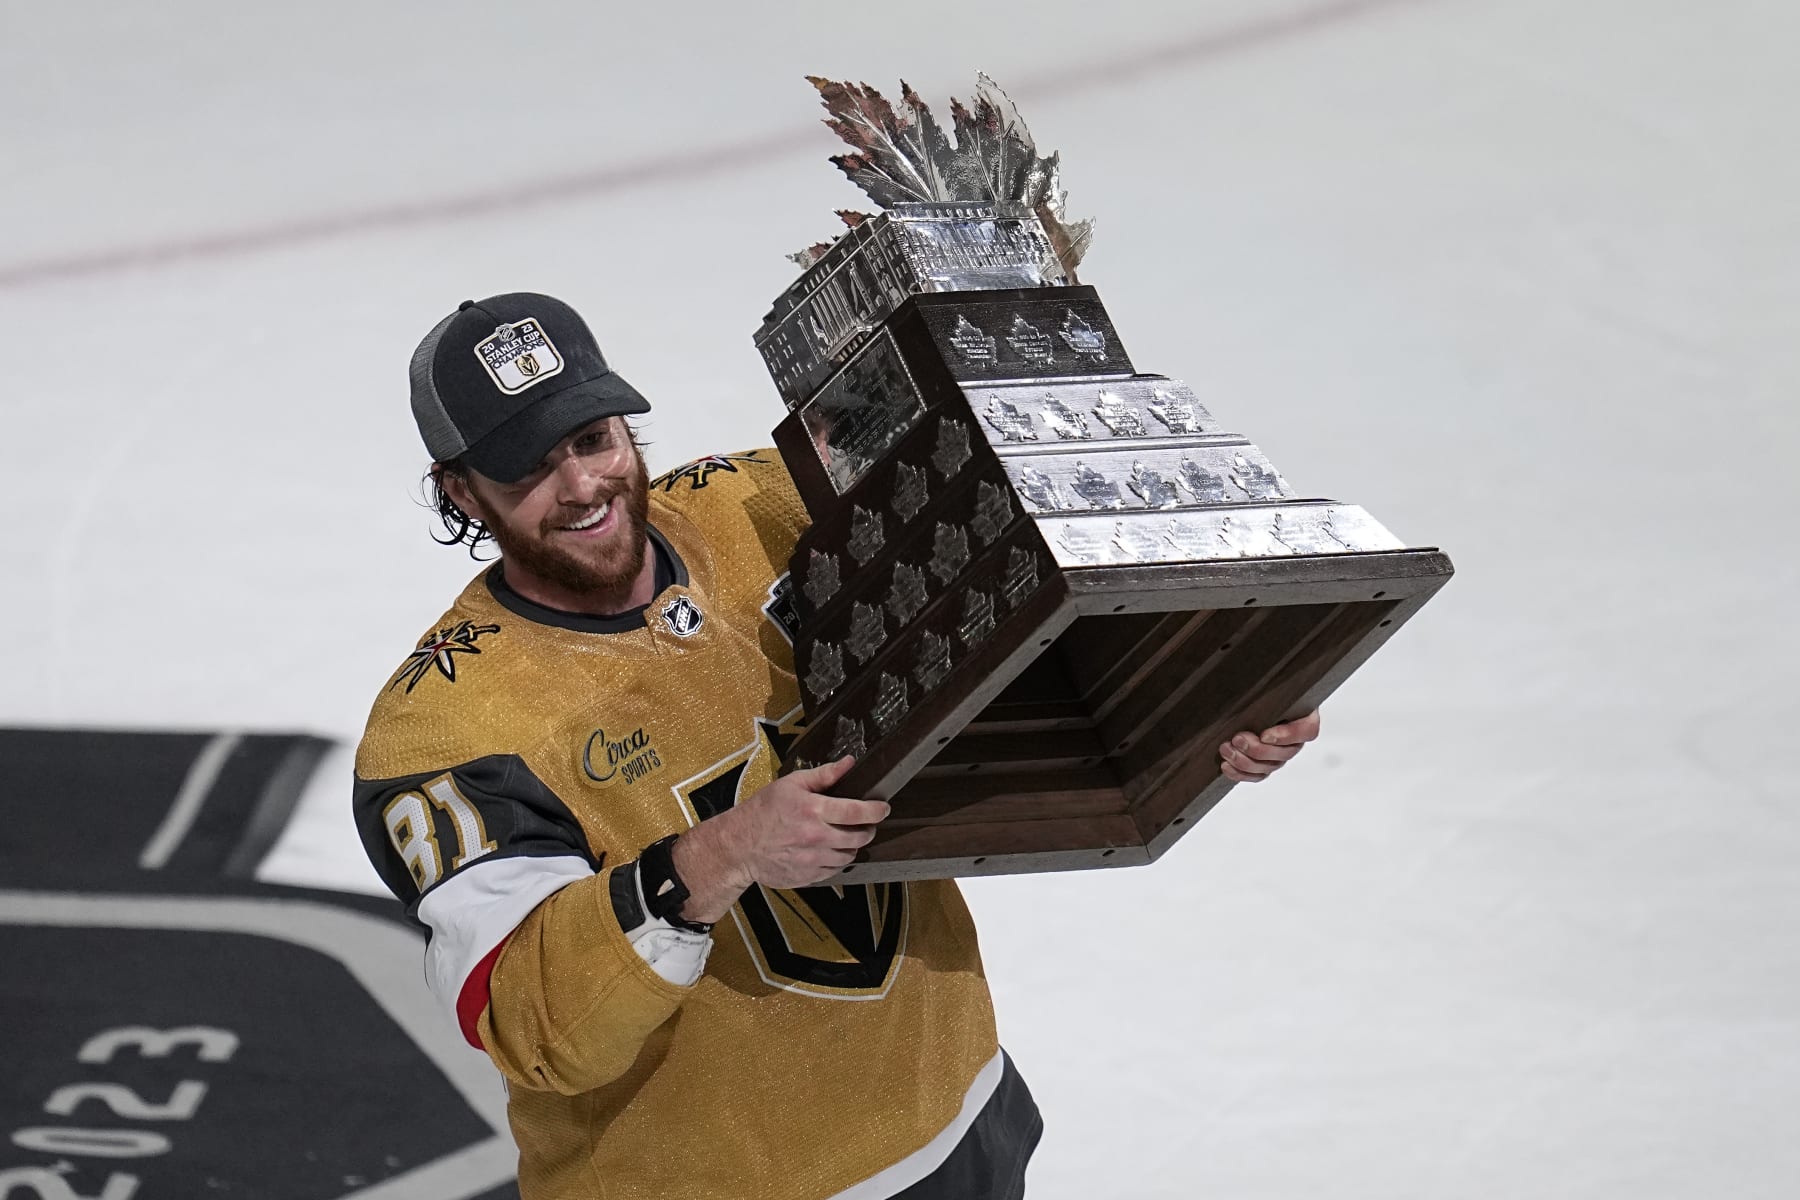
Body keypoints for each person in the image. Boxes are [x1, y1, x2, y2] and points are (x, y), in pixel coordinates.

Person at [353, 292, 1321, 1200]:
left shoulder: (763, 509)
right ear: (463, 494)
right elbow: (529, 1021)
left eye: (594, 438)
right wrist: (720, 855)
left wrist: (1205, 703)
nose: (583, 484)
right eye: (529, 468)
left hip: (954, 1128)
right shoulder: (442, 727)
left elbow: (1022, 592)